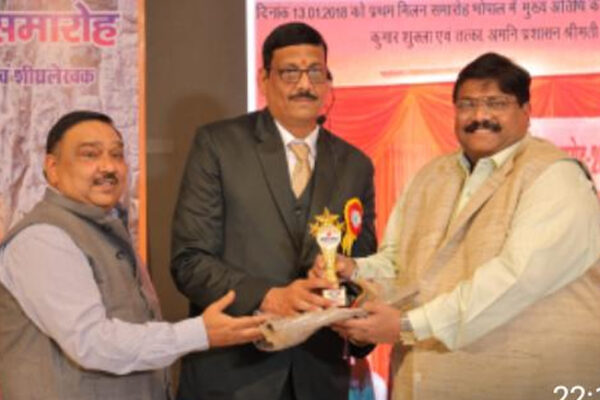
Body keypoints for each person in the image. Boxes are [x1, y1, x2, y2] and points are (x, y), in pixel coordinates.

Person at [319, 53, 600, 399]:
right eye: (467, 104)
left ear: (526, 111)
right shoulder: (431, 176)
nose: (480, 116)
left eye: (496, 103)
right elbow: (401, 265)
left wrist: (407, 325)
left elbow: (514, 280)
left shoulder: (554, 176)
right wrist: (352, 270)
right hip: (425, 382)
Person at [171, 22, 377, 400]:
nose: (305, 84)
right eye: (290, 72)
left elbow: (362, 267)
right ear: (264, 79)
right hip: (233, 375)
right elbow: (190, 261)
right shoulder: (219, 145)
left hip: (319, 376)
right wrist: (269, 297)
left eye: (315, 72)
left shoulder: (355, 165)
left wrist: (357, 316)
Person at [0, 111, 266, 400]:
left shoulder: (105, 227)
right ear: (52, 167)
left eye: (117, 155)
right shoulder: (43, 239)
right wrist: (200, 333)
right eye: (90, 155)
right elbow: (92, 343)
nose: (108, 167)